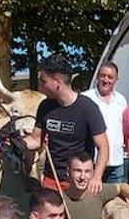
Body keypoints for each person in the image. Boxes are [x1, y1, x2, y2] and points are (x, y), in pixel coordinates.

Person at [21, 53, 109, 194]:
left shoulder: (88, 108)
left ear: (57, 82)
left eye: (44, 81)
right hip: (51, 180)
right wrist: (17, 142)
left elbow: (103, 147)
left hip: (77, 182)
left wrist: (97, 177)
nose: (41, 87)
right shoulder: (45, 106)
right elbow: (36, 140)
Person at [83, 61, 129, 183]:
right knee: (91, 198)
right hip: (91, 162)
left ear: (116, 80)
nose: (106, 80)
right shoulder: (86, 98)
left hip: (116, 162)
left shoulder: (121, 100)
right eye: (103, 75)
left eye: (110, 77)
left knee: (115, 201)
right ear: (97, 76)